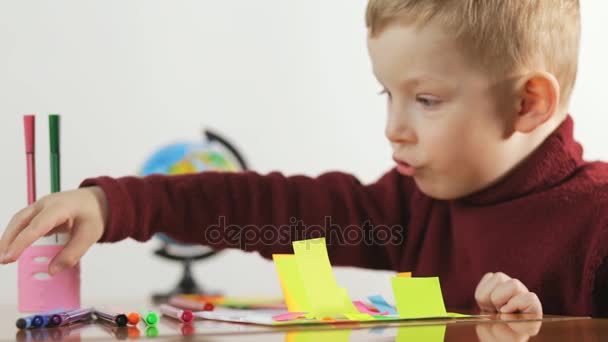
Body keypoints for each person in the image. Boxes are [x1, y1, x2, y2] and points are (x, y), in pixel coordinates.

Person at [2, 0, 604, 316]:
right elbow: (271, 208)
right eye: (386, 94)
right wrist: (115, 204)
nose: (393, 128)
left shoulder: (597, 225)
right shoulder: (410, 205)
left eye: (425, 100)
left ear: (528, 103)